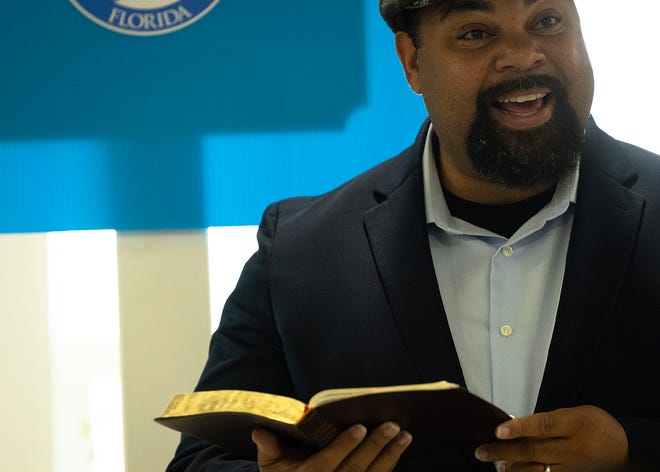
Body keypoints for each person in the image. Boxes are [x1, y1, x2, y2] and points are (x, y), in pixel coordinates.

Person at [168, 0, 660, 470]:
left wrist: (634, 450)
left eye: (548, 20)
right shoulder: (298, 251)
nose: (524, 55)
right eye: (475, 33)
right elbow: (201, 459)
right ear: (412, 62)